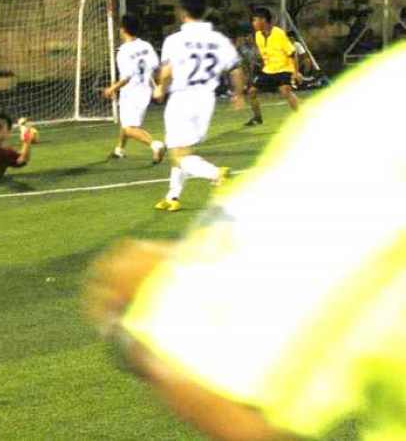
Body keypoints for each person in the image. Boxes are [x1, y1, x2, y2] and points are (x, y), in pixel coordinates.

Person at [85, 42, 406, 440]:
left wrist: (138, 322)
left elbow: (218, 387)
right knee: (178, 153)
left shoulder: (386, 105)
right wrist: (236, 90)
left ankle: (185, 178)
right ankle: (171, 188)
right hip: (199, 100)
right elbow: (232, 67)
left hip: (175, 103)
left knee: (178, 153)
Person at [151, 0, 245, 213]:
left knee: (178, 153)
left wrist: (160, 89)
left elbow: (167, 71)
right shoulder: (218, 40)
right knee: (183, 150)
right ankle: (173, 196)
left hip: (182, 98)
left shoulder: (175, 40)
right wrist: (238, 94)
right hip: (206, 101)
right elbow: (236, 68)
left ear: (182, 11)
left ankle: (216, 174)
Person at [103, 14, 165, 165]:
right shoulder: (146, 46)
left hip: (131, 93)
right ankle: (119, 150)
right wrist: (159, 86)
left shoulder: (123, 51)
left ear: (123, 30)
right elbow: (156, 68)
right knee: (126, 122)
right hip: (145, 91)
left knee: (129, 128)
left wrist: (112, 89)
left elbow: (126, 77)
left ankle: (155, 145)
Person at [245, 7, 301, 127]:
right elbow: (265, 53)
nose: (253, 23)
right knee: (252, 92)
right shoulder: (258, 35)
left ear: (263, 20)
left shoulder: (279, 33)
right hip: (269, 69)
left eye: (255, 20)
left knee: (285, 91)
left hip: (284, 68)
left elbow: (292, 53)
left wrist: (296, 72)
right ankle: (257, 118)